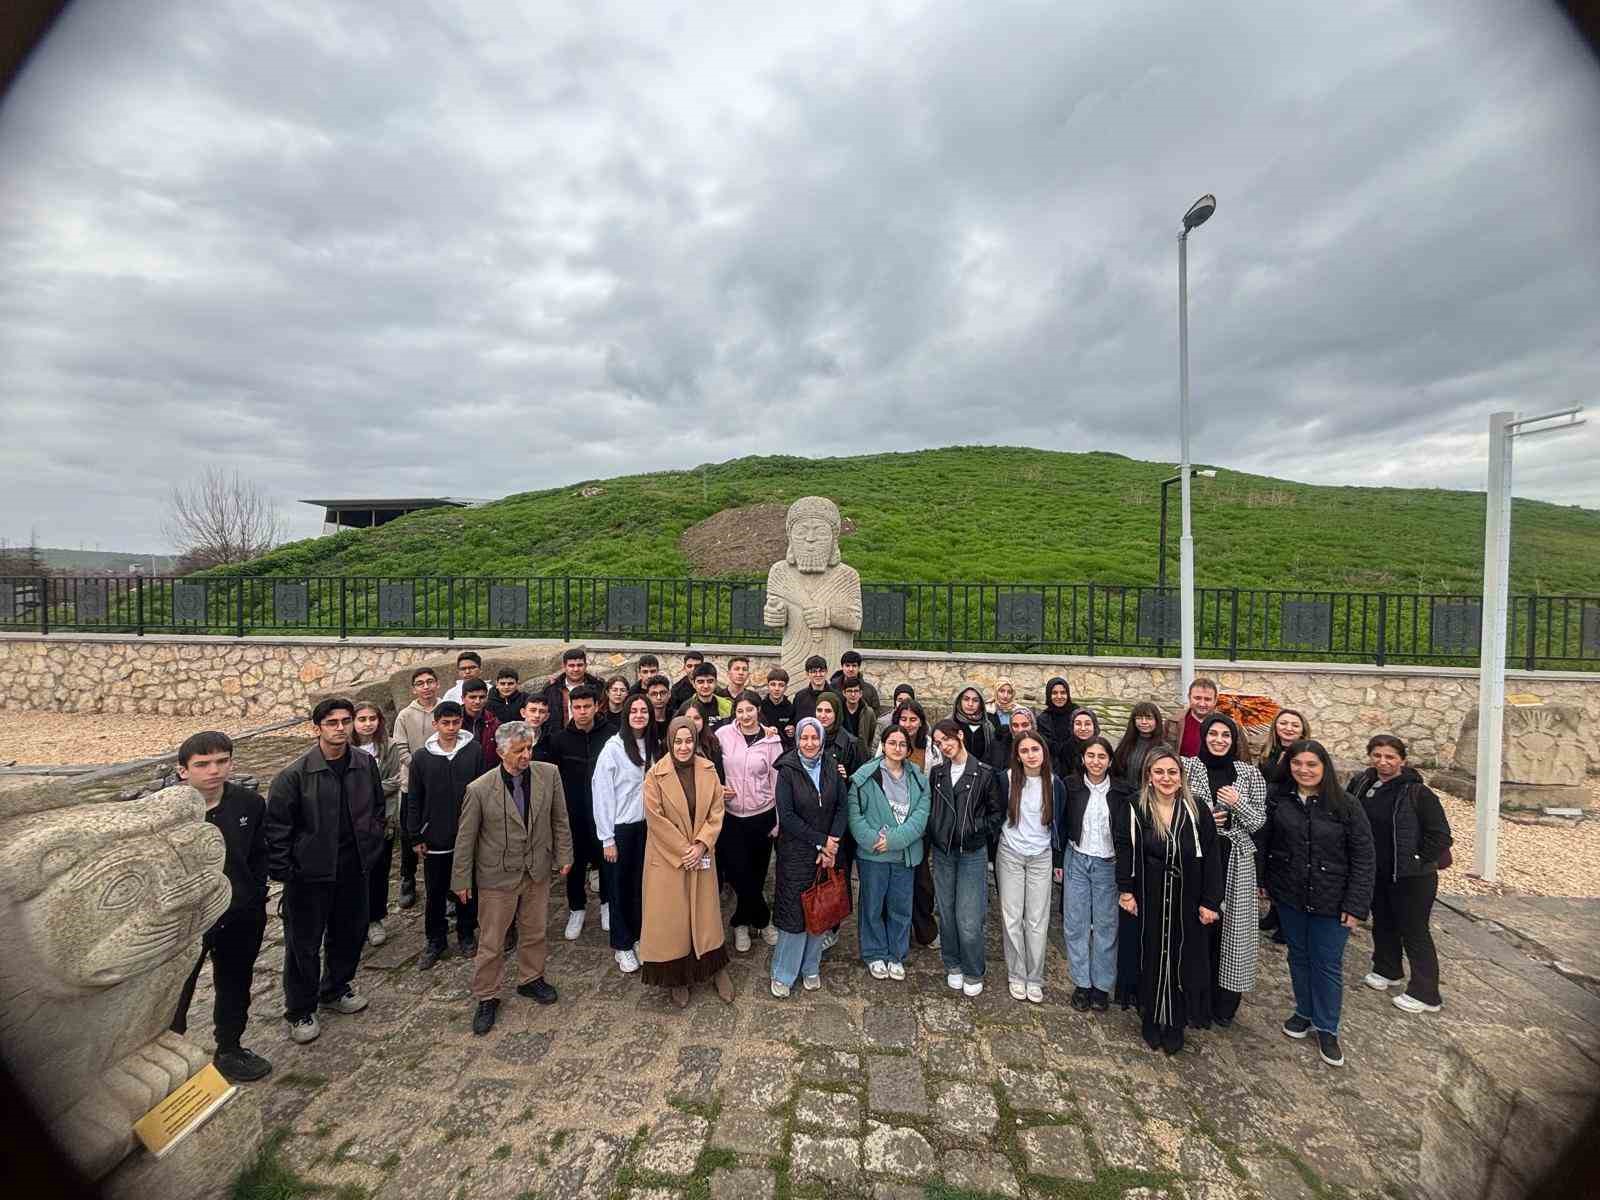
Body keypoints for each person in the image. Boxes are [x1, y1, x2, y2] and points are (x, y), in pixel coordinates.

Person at [266, 698, 385, 1045]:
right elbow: (277, 829)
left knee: (350, 932)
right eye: (331, 722)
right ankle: (301, 1007)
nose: (340, 728)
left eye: (345, 721)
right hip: (310, 874)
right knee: (303, 945)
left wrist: (373, 841)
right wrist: (288, 871)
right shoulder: (294, 775)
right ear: (317, 728)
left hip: (354, 867)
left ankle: (335, 988)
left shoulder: (364, 764)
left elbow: (377, 807)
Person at [1261, 739, 1376, 1068]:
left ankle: (1327, 1026)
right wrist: (1266, 882)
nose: (1304, 770)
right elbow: (1269, 843)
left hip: (1332, 898)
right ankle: (1304, 1011)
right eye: (1298, 764)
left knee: (1326, 964)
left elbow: (1364, 858)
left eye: (1311, 764)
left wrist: (1355, 906)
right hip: (1291, 895)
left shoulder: (1347, 806)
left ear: (1324, 767)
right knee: (1298, 956)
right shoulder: (1281, 801)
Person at [454, 721, 571, 1036]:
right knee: (492, 941)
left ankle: (531, 979)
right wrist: (461, 880)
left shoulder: (549, 775)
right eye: (519, 750)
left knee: (534, 931)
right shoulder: (479, 789)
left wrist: (565, 855)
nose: (526, 755)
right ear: (502, 751)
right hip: (497, 876)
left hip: (537, 869)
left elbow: (559, 818)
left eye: (529, 748)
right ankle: (487, 995)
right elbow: (466, 839)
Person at [169, 731, 272, 1082]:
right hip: (185, 923)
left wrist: (256, 895)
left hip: (240, 914)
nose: (213, 770)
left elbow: (260, 854)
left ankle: (229, 1047)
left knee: (235, 983)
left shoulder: (250, 804)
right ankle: (169, 1057)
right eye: (202, 764)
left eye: (221, 761)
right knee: (175, 992)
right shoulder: (165, 812)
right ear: (183, 770)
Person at [1114, 749, 1224, 1054]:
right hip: (1148, 897)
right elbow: (1125, 850)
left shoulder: (1197, 810)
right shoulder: (1136, 807)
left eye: (1172, 772)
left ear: (1181, 777)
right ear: (1149, 775)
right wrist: (1125, 891)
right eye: (1159, 772)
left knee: (1181, 959)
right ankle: (1151, 1016)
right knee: (1150, 954)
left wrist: (1211, 901)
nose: (1166, 778)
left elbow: (1213, 857)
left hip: (1187, 899)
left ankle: (1175, 1021)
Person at [1349, 734, 1451, 1014]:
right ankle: (1387, 968)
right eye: (1378, 756)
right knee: (1384, 922)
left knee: (1414, 930)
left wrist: (1415, 859)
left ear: (1402, 760)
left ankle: (1426, 992)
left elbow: (1441, 836)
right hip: (1378, 871)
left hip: (1412, 877)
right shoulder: (1363, 783)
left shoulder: (1418, 793)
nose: (1383, 762)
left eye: (1390, 757)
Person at [640, 717, 734, 1007]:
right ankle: (676, 977)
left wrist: (702, 844)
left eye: (689, 740)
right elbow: (656, 820)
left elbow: (716, 811)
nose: (684, 747)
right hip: (669, 860)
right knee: (673, 921)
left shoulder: (708, 770)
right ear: (669, 742)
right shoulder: (655, 776)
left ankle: (714, 968)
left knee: (706, 916)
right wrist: (686, 850)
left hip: (701, 855)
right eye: (678, 741)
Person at [1181, 714, 1268, 1026]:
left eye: (1225, 735)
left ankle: (1224, 1004)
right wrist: (1202, 817)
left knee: (1232, 931)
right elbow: (1174, 805)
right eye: (1213, 734)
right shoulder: (1189, 767)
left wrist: (1238, 804)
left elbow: (1259, 821)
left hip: (1235, 858)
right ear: (1204, 737)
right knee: (1198, 927)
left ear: (1234, 740)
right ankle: (1195, 999)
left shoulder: (1249, 774)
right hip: (1200, 857)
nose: (1218, 740)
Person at [403, 700, 484, 969]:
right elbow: (414, 798)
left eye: (455, 722)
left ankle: (466, 933)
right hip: (434, 836)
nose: (450, 728)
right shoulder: (422, 758)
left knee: (466, 889)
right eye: (445, 723)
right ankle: (435, 939)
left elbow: (483, 792)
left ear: (462, 722)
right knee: (436, 891)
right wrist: (416, 834)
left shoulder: (473, 751)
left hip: (467, 835)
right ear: (435, 724)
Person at [769, 718, 847, 995]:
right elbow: (787, 816)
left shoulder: (831, 765)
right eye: (805, 738)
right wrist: (821, 841)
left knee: (820, 910)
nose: (810, 743)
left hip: (828, 850)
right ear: (798, 739)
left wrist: (833, 843)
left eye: (815, 738)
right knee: (794, 916)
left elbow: (841, 806)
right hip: (797, 852)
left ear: (822, 739)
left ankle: (810, 967)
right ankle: (784, 972)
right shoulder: (787, 770)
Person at [928, 719, 1005, 997]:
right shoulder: (936, 773)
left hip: (972, 853)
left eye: (946, 739)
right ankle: (953, 964)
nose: (944, 746)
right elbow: (933, 810)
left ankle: (973, 969)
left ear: (959, 735)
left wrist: (974, 829)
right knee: (946, 913)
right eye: (938, 743)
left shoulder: (985, 773)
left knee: (969, 918)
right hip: (944, 853)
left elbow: (997, 815)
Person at [1053, 733, 1129, 1013]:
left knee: (1107, 926)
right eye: (1091, 756)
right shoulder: (1070, 786)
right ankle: (1082, 983)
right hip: (1077, 859)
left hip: (1107, 864)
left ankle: (1101, 986)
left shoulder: (1122, 792)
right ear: (1083, 759)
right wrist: (1059, 861)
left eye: (1102, 756)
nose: (1096, 761)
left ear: (1110, 761)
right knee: (1076, 923)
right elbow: (1060, 825)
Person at [848, 727, 930, 981]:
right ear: (883, 745)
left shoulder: (918, 778)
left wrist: (894, 839)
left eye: (902, 744)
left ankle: (896, 953)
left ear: (908, 749)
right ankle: (874, 953)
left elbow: (921, 815)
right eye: (892, 743)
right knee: (872, 906)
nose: (897, 748)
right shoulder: (865, 776)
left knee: (901, 907)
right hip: (874, 856)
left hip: (903, 855)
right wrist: (873, 840)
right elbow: (854, 813)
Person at [539, 684, 612, 940]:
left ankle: (607, 905)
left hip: (604, 813)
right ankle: (577, 909)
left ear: (596, 707)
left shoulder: (612, 735)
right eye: (576, 707)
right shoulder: (559, 739)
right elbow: (551, 778)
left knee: (606, 862)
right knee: (574, 865)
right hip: (571, 814)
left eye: (586, 707)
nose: (581, 712)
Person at [592, 695, 660, 974]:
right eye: (634, 710)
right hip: (621, 829)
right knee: (619, 888)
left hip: (648, 828)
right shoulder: (614, 749)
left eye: (644, 710)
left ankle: (639, 936)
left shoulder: (654, 745)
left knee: (640, 887)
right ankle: (622, 945)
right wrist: (607, 838)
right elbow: (602, 794)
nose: (639, 715)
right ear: (626, 715)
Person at [996, 732, 1063, 1003]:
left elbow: (1061, 823)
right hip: (1011, 853)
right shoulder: (1007, 779)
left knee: (1036, 920)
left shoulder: (1055, 783)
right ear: (1017, 754)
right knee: (1012, 917)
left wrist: (1058, 860)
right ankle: (1016, 973)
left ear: (1044, 752)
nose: (1030, 755)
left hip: (1041, 856)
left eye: (1035, 749)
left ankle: (1034, 977)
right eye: (1024, 750)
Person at [715, 693, 785, 952]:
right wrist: (717, 788)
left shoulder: (772, 741)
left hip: (762, 815)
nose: (745, 716)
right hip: (732, 817)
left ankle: (741, 924)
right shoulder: (722, 735)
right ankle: (764, 919)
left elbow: (777, 783)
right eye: (740, 711)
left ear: (758, 710)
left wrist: (778, 820)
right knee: (738, 873)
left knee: (756, 874)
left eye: (750, 710)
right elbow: (708, 766)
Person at [351, 702, 402, 948]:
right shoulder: (345, 748)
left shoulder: (389, 747)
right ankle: (352, 921)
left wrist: (365, 790)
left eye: (372, 718)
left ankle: (375, 919)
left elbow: (395, 780)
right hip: (350, 823)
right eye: (362, 719)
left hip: (381, 819)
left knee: (378, 873)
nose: (368, 723)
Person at [391, 667, 440, 909]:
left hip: (441, 784)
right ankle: (407, 878)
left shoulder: (445, 710)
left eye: (430, 681)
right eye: (420, 683)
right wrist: (422, 770)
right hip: (411, 782)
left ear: (437, 684)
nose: (426, 686)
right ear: (414, 688)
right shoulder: (404, 715)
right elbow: (401, 748)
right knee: (410, 833)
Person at [895, 700, 942, 949]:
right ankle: (895, 929)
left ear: (921, 722)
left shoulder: (931, 749)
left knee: (922, 881)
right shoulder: (888, 744)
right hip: (893, 824)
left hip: (921, 824)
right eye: (903, 719)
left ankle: (925, 930)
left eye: (913, 719)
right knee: (894, 880)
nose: (908, 724)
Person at [542, 646, 606, 729]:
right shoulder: (551, 688)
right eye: (571, 665)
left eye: (580, 665)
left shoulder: (598, 686)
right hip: (559, 737)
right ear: (564, 667)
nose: (576, 669)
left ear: (586, 666)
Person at [1113, 702, 1165, 788]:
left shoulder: (1163, 748)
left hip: (1148, 796)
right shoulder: (1125, 743)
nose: (1144, 722)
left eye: (1149, 718)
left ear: (1156, 720)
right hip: (1123, 793)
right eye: (1139, 718)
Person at [1165, 677, 1220, 758]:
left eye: (1207, 699)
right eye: (1197, 698)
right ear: (1189, 697)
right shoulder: (1173, 723)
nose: (1202, 704)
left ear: (1215, 701)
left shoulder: (1227, 725)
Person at [951, 685, 1000, 768]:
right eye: (966, 699)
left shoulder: (988, 726)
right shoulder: (950, 723)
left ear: (981, 703)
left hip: (981, 774)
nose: (970, 704)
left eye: (975, 700)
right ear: (959, 700)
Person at [1259, 709, 1310, 786]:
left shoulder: (1309, 752)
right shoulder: (1267, 749)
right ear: (1275, 726)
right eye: (1283, 723)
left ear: (1302, 730)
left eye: (1295, 725)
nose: (1289, 728)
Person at [459, 679, 500, 763]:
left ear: (487, 698)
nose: (477, 701)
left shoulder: (495, 723)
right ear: (462, 698)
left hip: (486, 771)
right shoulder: (453, 721)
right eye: (472, 697)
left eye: (482, 697)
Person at [1058, 707, 1102, 779]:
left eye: (1087, 724)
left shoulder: (1102, 747)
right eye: (1078, 724)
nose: (1083, 728)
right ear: (1072, 727)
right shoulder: (1066, 749)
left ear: (1094, 726)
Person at [839, 677, 878, 754]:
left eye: (856, 691)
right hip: (842, 753)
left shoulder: (869, 712)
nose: (853, 694)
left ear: (861, 693)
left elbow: (872, 736)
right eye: (849, 691)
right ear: (844, 693)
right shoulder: (838, 711)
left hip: (861, 754)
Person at [759, 667, 797, 748]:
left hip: (783, 749)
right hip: (763, 747)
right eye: (773, 684)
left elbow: (793, 732)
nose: (777, 689)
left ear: (786, 687)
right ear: (768, 686)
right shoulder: (760, 707)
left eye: (781, 685)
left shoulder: (791, 708)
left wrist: (793, 730)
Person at [1036, 676, 1076, 751]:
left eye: (1063, 692)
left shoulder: (1077, 714)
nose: (1059, 696)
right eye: (1054, 693)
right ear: (1049, 695)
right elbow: (1046, 744)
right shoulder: (1043, 719)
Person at [792, 655, 831, 723]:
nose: (818, 675)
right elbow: (795, 722)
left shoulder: (835, 695)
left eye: (821, 671)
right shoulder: (799, 697)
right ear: (807, 674)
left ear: (826, 672)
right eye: (814, 671)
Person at [644, 674, 675, 739]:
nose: (659, 697)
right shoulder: (643, 720)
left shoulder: (676, 717)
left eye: (663, 693)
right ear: (647, 696)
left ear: (669, 694)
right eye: (654, 694)